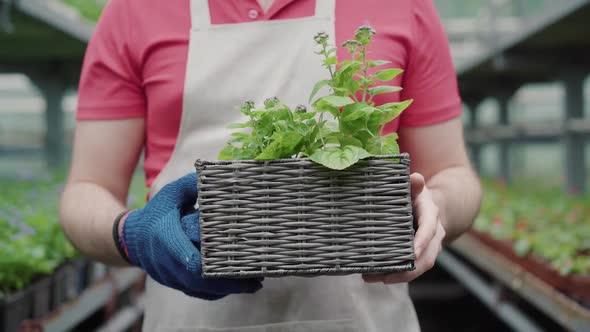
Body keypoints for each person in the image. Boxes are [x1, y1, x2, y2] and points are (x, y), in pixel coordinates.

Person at [59, 0, 482, 331]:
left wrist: (433, 207)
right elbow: (86, 189)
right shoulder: (134, 10)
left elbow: (454, 175)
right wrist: (130, 234)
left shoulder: (403, 5)